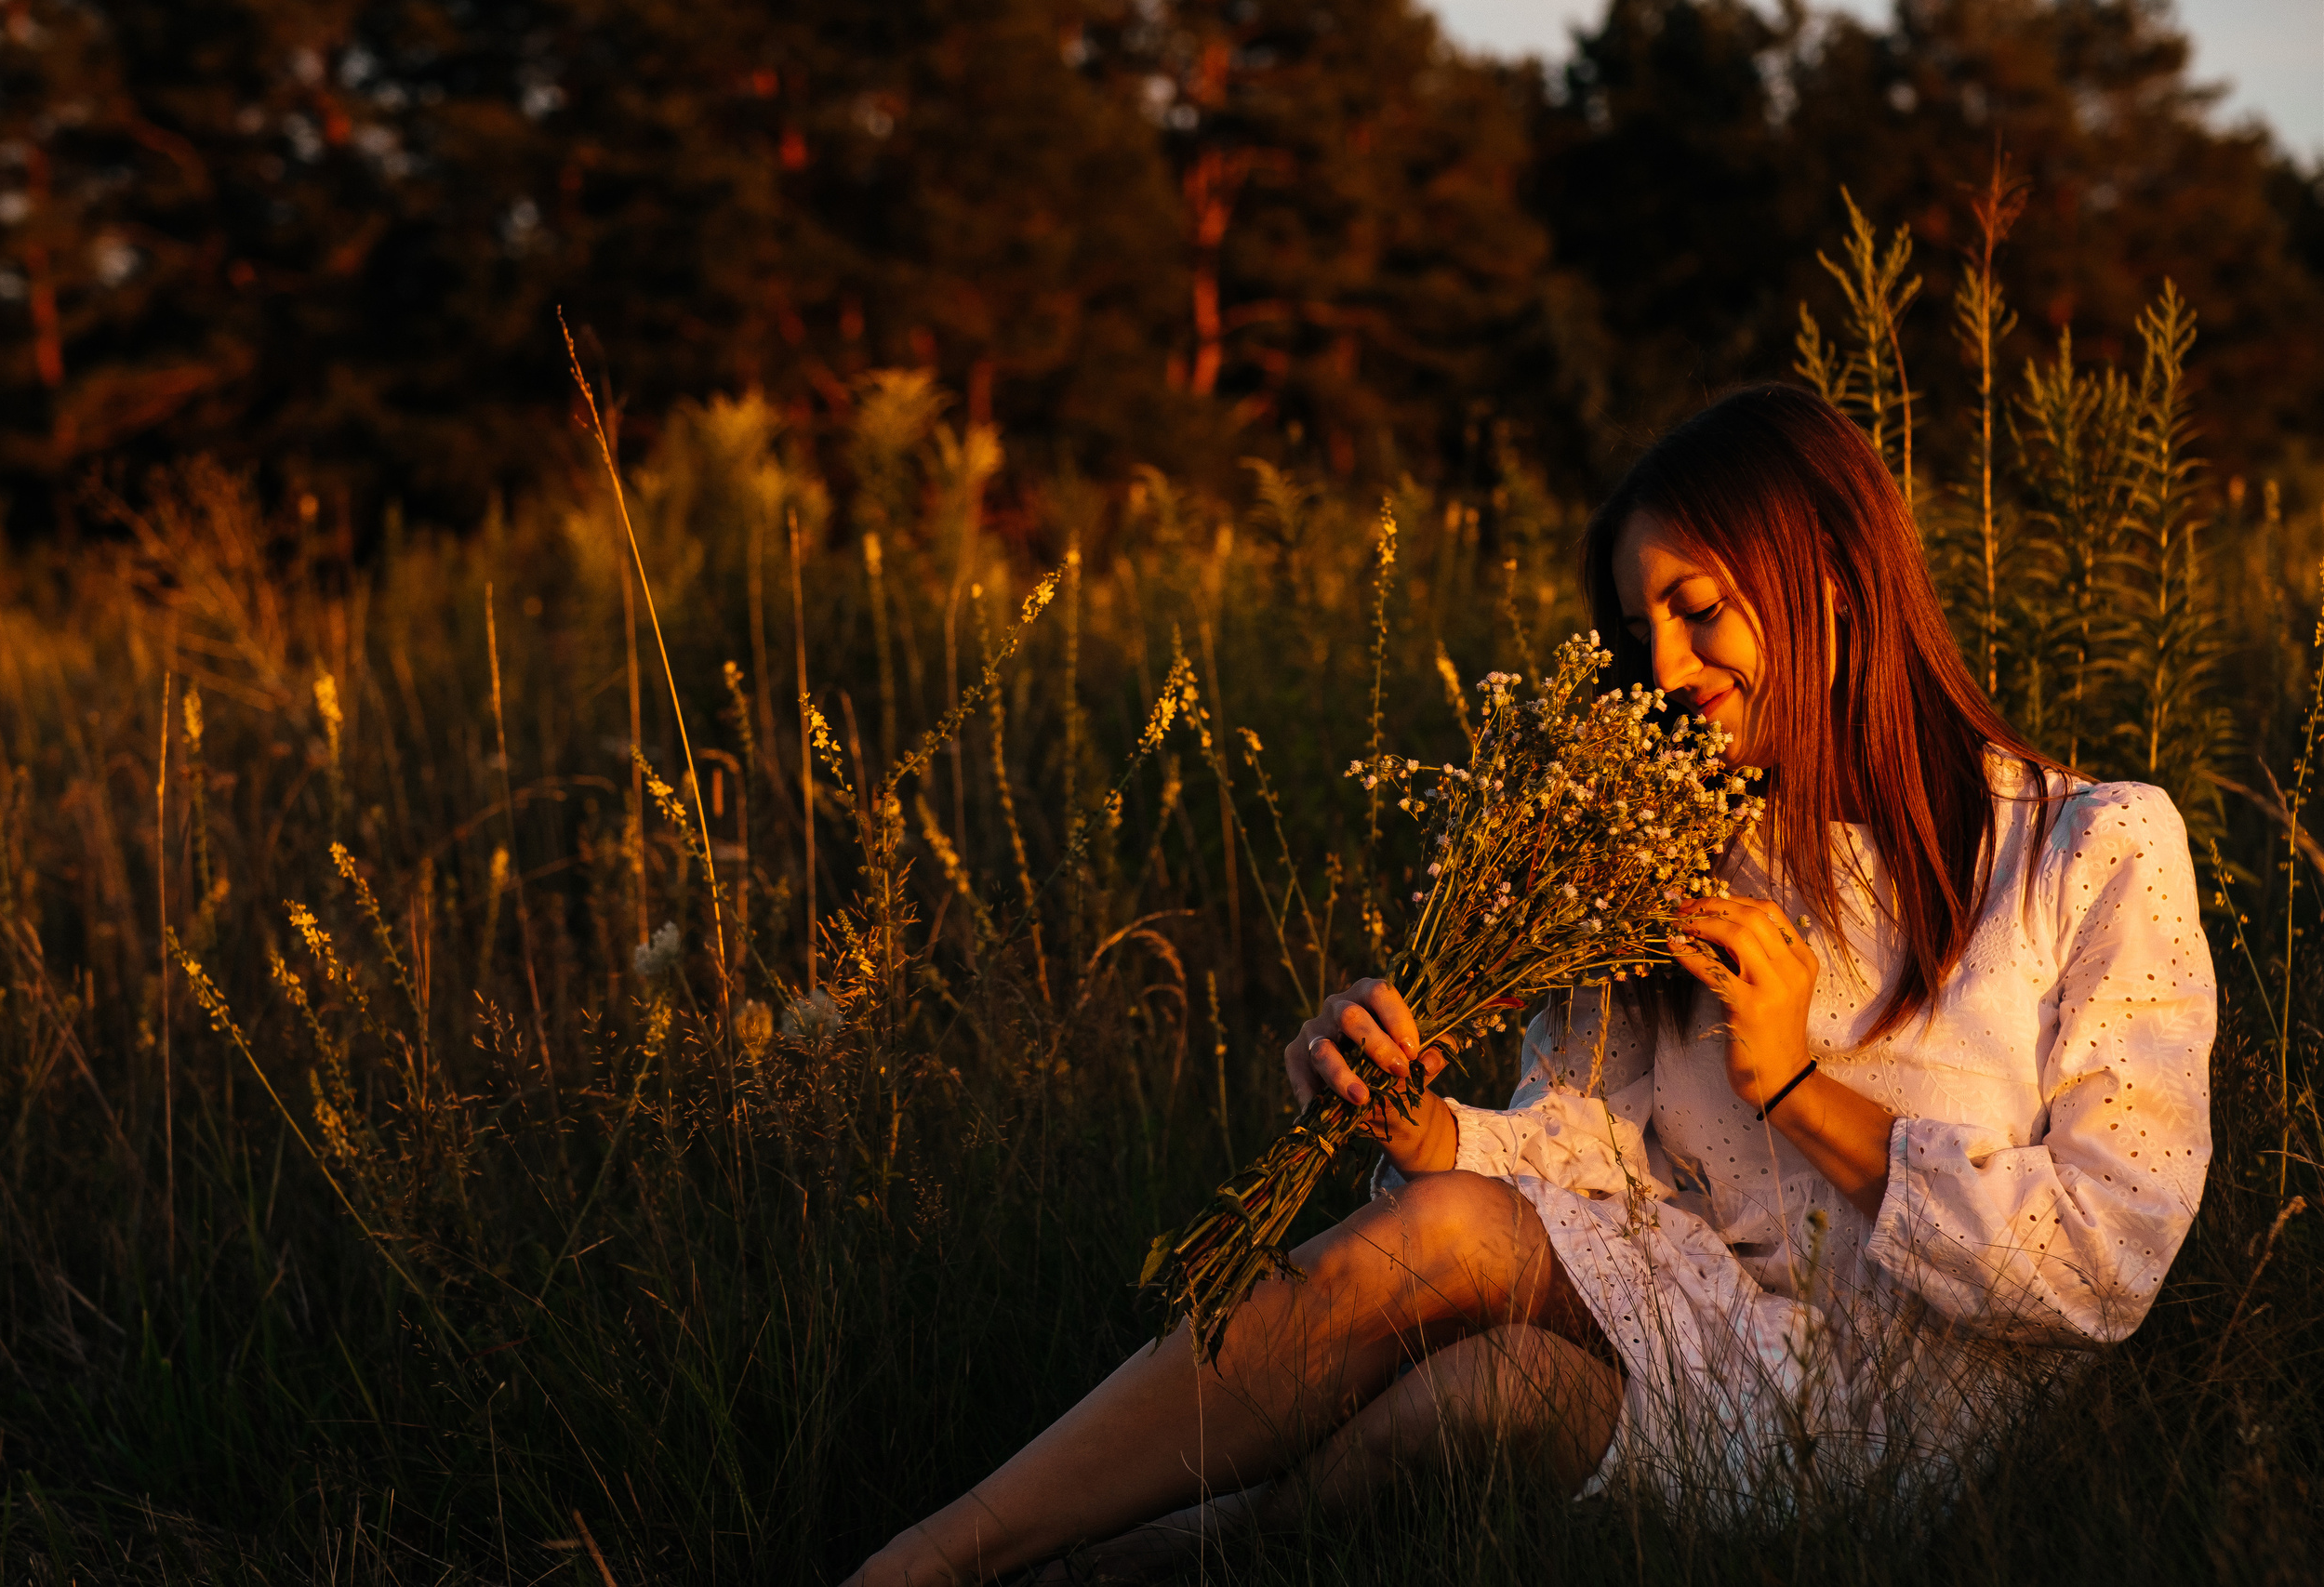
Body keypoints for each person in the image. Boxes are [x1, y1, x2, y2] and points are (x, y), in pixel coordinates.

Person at [846, 384, 2216, 1583]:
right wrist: (1422, 1131)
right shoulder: (1664, 855)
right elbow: (1590, 1167)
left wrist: (1796, 1083)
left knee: (1458, 1312)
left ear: (1836, 582)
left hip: (1905, 1423)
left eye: (1700, 609)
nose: (1668, 672)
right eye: (1640, 630)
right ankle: (1073, 1563)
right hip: (1690, 1335)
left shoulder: (2088, 850)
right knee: (1477, 1377)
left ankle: (970, 1561)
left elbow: (2102, 1265)